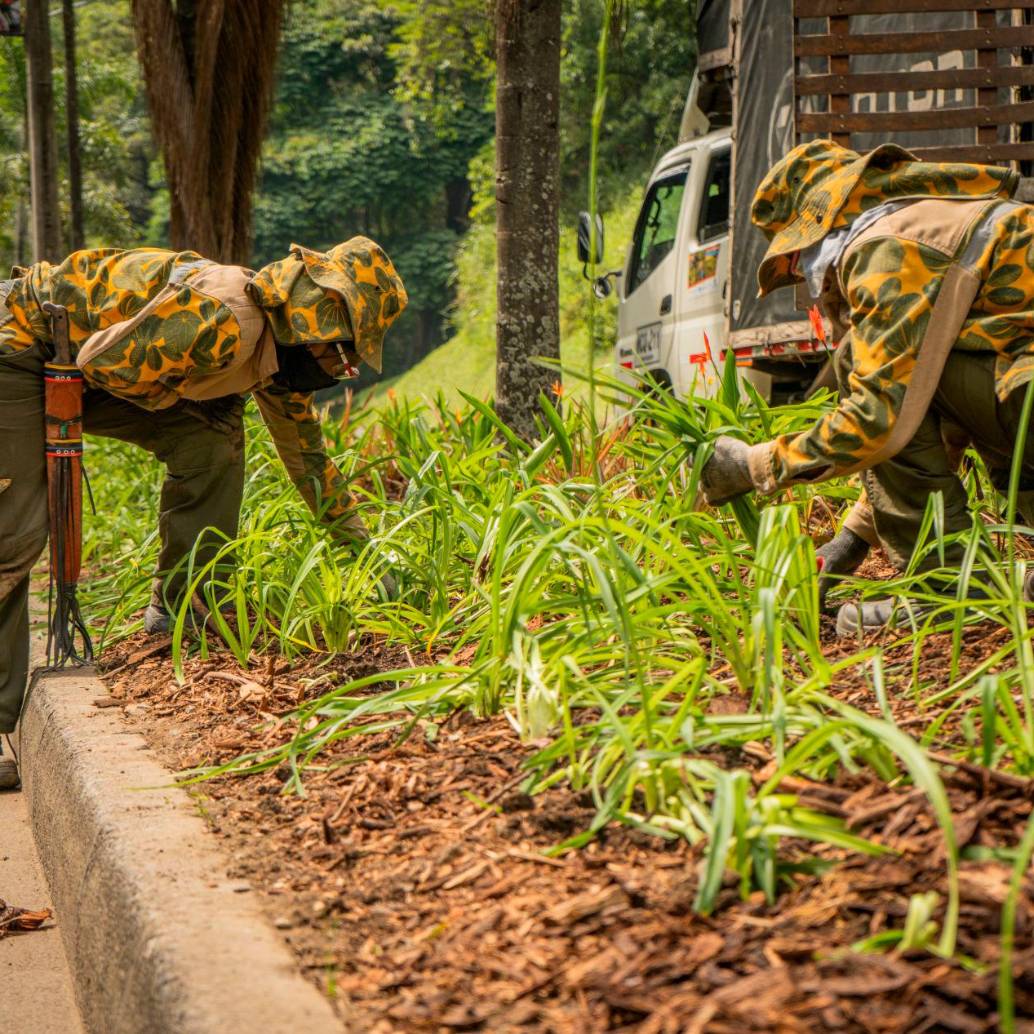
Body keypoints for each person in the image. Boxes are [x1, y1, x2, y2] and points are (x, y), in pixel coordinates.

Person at [0, 238, 407, 788]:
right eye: (343, 349)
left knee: (213, 443)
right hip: (24, 344)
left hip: (88, 361)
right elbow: (106, 365)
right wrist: (205, 393)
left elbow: (308, 461)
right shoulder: (225, 323)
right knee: (15, 534)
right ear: (317, 319)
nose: (345, 365)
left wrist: (365, 553)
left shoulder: (271, 356)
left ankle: (183, 608)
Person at [699, 139, 1034, 634]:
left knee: (859, 358)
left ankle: (949, 591)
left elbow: (881, 420)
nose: (801, 273)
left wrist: (752, 465)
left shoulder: (886, 246)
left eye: (795, 258)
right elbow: (937, 413)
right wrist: (850, 542)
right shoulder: (937, 220)